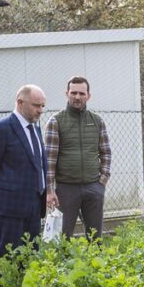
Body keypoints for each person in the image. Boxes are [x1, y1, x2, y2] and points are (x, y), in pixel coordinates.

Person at [0, 84, 49, 281]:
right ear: (20, 102)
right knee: (7, 258)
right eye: (36, 105)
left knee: (31, 255)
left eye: (43, 106)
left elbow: (39, 165)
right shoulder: (1, 129)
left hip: (34, 206)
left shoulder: (35, 129)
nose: (40, 110)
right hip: (10, 207)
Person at [44, 76, 111, 240]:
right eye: (73, 93)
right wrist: (50, 190)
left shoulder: (97, 121)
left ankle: (95, 264)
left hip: (93, 188)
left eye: (82, 93)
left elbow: (106, 152)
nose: (77, 97)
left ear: (88, 96)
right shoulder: (56, 121)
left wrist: (102, 181)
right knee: (62, 237)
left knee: (95, 238)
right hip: (65, 190)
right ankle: (61, 265)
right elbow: (49, 160)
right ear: (67, 94)